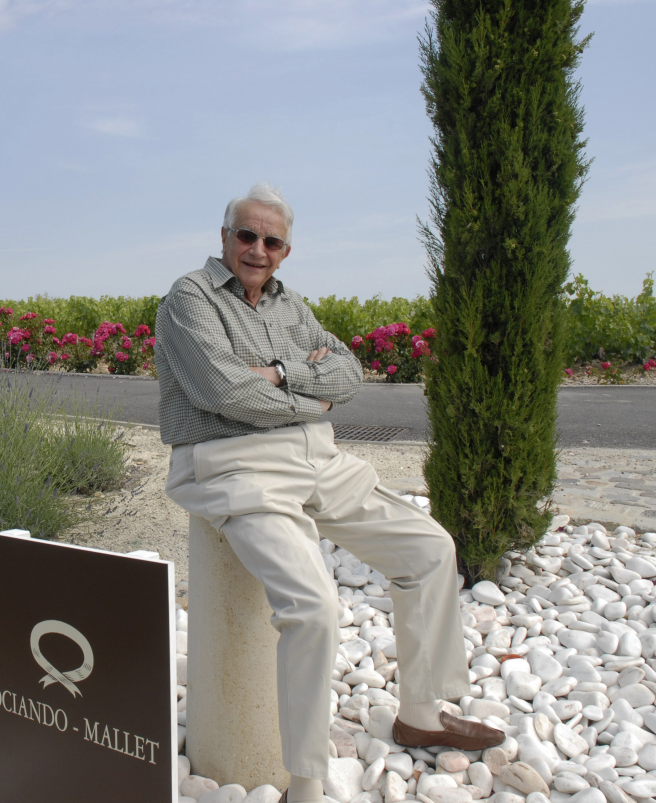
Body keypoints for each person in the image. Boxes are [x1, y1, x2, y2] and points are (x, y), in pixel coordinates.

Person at [156, 184, 503, 803]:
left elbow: (348, 373)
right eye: (246, 235)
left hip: (318, 456)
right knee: (313, 609)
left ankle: (421, 712)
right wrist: (304, 395)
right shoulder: (190, 297)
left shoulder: (293, 305)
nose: (257, 249)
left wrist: (281, 375)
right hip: (234, 466)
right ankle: (308, 785)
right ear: (224, 236)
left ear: (286, 251)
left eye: (272, 240)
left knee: (429, 548)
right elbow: (221, 392)